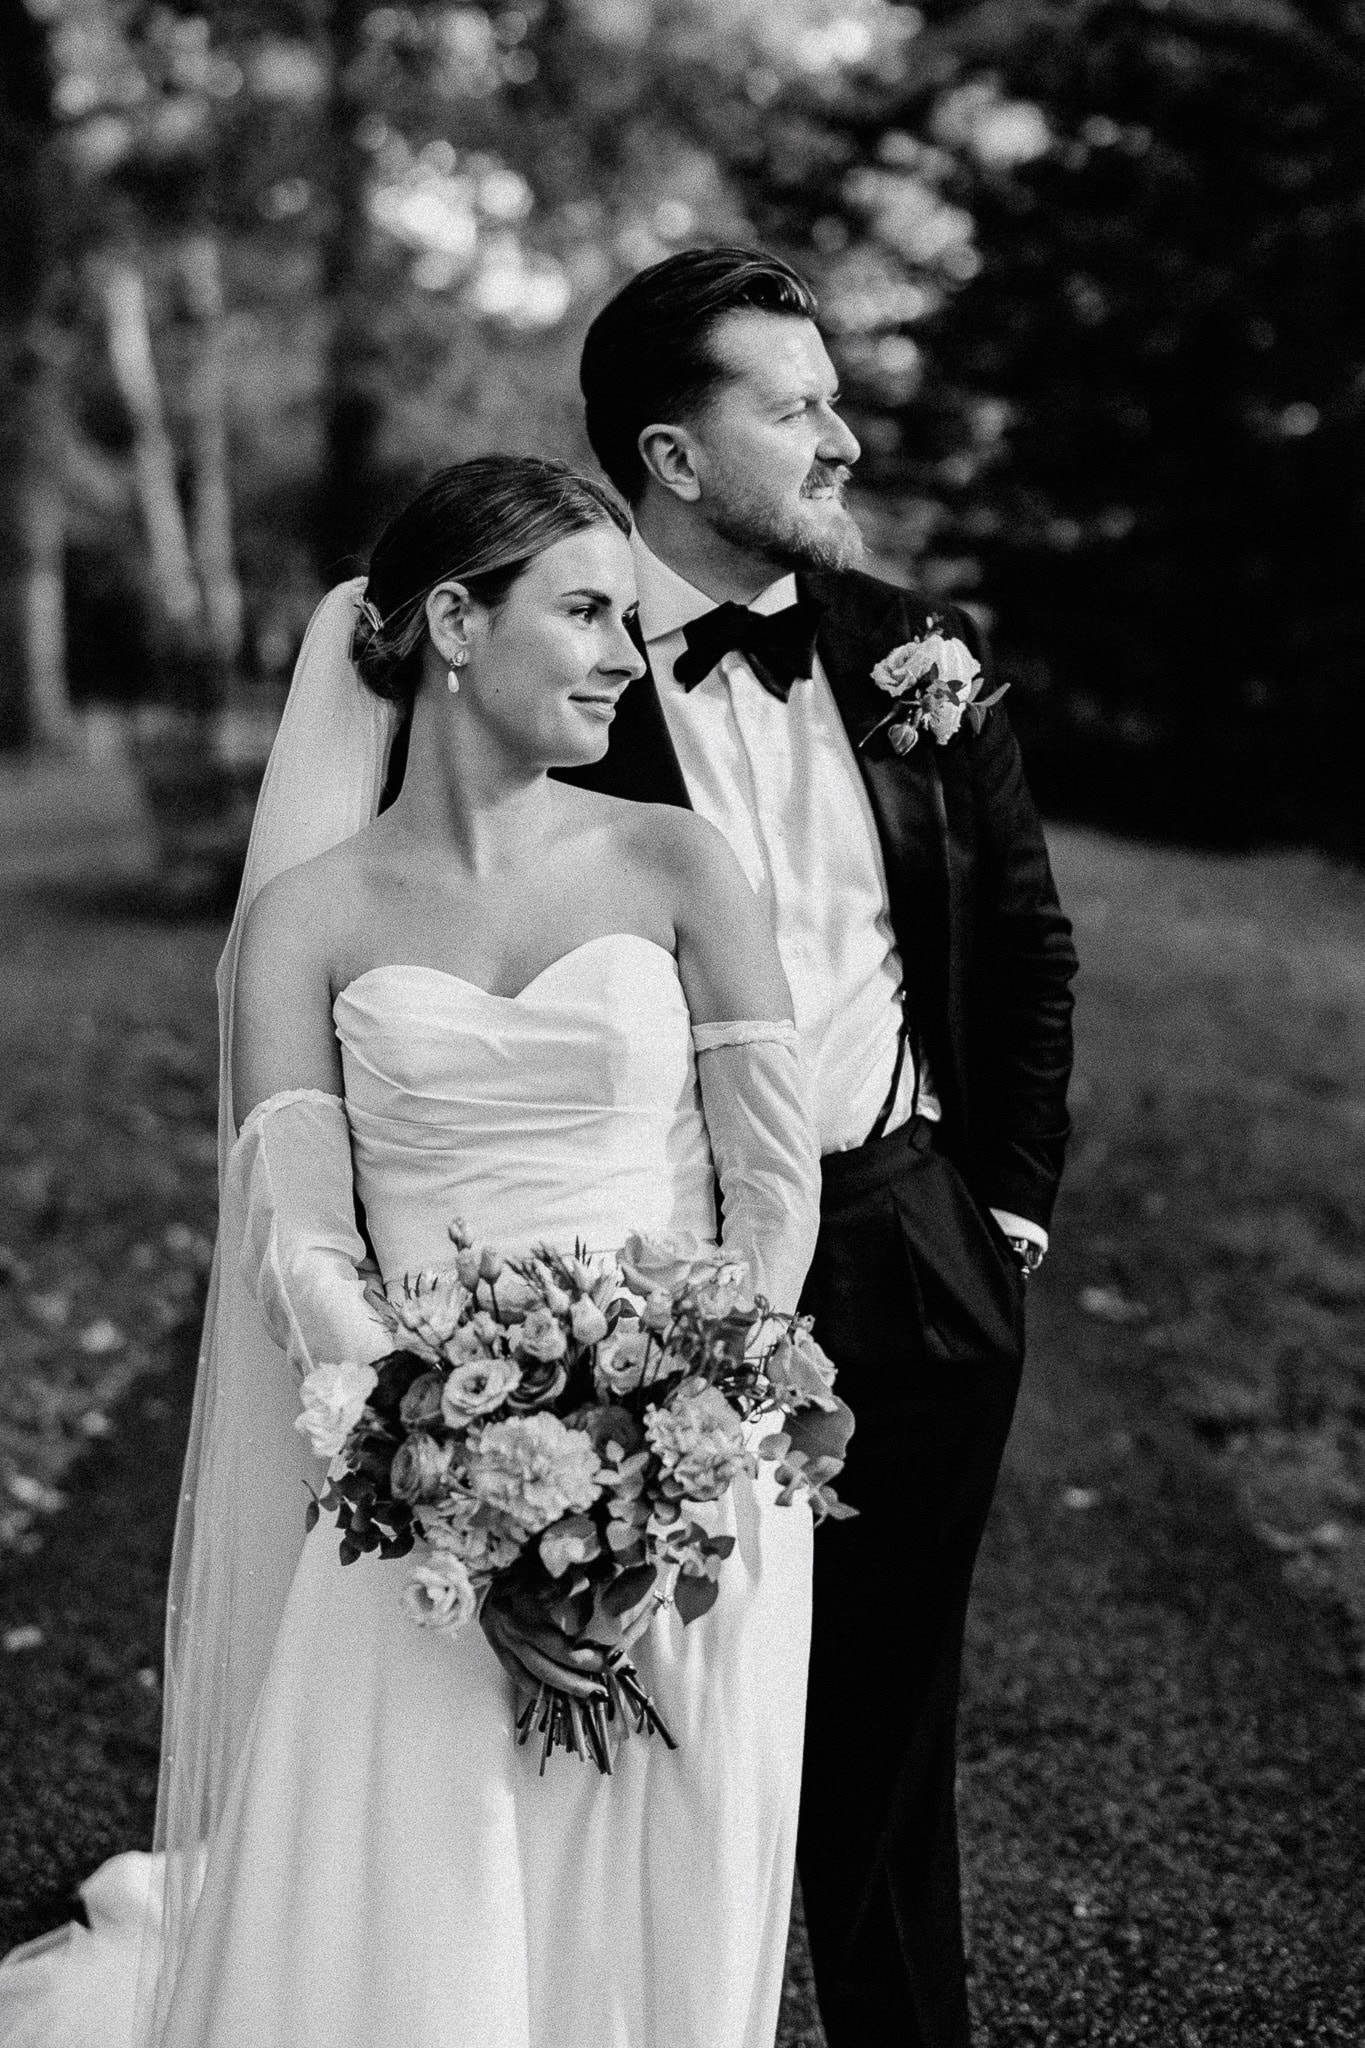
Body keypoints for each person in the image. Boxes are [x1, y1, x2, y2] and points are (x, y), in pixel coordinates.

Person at [0, 454, 823, 2048]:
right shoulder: (301, 921)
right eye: (585, 612)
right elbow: (298, 1242)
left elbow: (770, 1193)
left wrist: (687, 1455)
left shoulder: (678, 863)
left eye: (630, 626)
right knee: (427, 1922)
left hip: (702, 1495)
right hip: (419, 1507)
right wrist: (454, 1484)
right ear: (455, 620)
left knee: (661, 1909)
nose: (619, 657)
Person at [568, 247, 1079, 2048]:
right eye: (792, 409)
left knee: (880, 1731)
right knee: (618, 1711)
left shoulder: (902, 657)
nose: (842, 440)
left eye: (833, 398)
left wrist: (999, 1218)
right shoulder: (542, 662)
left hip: (909, 1248)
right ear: (675, 456)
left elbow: (1021, 947)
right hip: (634, 1281)